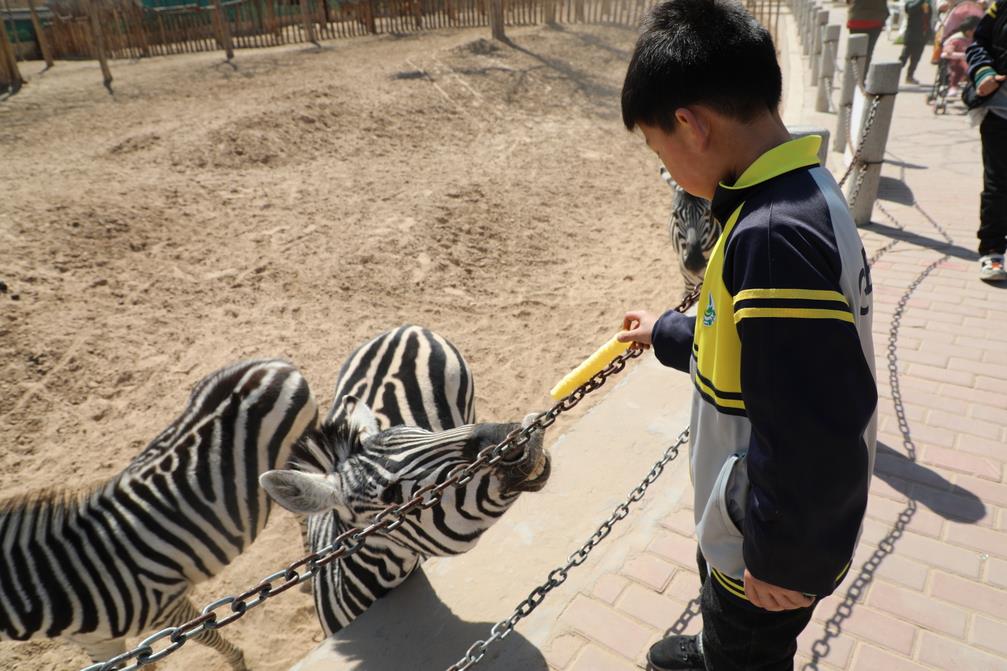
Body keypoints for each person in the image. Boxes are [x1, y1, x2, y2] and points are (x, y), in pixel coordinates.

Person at [617, 1, 879, 669]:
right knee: (729, 642)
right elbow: (742, 342)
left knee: (748, 653)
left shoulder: (771, 238)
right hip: (751, 528)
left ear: (689, 124)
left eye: (657, 150)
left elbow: (815, 429)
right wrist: (665, 332)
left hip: (759, 559)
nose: (667, 169)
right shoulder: (793, 190)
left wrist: (779, 556)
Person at [966, 1, 1007, 280]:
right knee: (998, 185)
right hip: (1001, 113)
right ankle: (992, 250)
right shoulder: (1001, 6)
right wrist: (984, 73)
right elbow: (978, 42)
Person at [847, 0, 890, 75]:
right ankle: (861, 79)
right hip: (876, 19)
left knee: (855, 52)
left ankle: (851, 79)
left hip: (856, 17)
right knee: (867, 52)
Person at [942, 14, 981, 95]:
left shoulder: (976, 40)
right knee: (960, 67)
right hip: (957, 62)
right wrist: (950, 50)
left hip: (973, 61)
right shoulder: (957, 39)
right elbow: (949, 48)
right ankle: (953, 86)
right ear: (968, 32)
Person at [901, 0, 937, 83]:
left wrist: (929, 33)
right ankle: (893, 74)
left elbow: (929, 19)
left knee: (916, 58)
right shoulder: (910, 3)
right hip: (911, 35)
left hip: (922, 36)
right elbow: (910, 9)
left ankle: (910, 76)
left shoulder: (927, 5)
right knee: (904, 57)